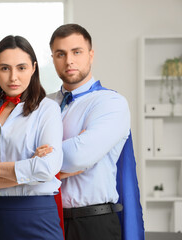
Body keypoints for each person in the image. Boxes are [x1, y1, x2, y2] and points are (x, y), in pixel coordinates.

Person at [47, 23, 144, 240]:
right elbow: (17, 154)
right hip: (46, 219)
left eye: (77, 52)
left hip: (93, 223)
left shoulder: (111, 102)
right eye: (60, 54)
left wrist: (37, 164)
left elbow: (76, 156)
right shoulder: (44, 104)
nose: (69, 60)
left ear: (91, 55)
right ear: (52, 58)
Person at [0, 35, 63, 239]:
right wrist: (29, 167)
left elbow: (47, 168)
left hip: (37, 216)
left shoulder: (47, 109)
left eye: (21, 68)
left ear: (33, 68)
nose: (13, 77)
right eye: (5, 68)